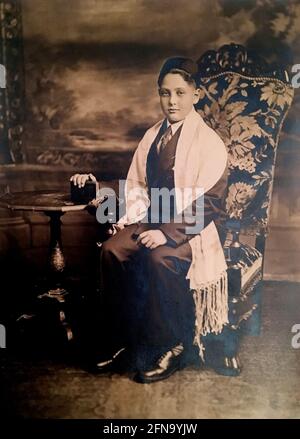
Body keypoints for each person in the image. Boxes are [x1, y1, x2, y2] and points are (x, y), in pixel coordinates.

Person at [70, 57, 228, 383]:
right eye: (165, 93)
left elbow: (211, 202)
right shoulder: (153, 136)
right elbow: (137, 187)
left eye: (181, 93)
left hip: (190, 229)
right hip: (149, 218)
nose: (172, 101)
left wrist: (167, 233)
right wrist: (95, 186)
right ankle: (120, 339)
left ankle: (170, 344)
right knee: (112, 250)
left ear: (196, 94)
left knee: (160, 257)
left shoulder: (209, 142)